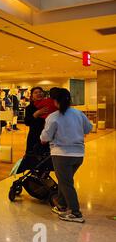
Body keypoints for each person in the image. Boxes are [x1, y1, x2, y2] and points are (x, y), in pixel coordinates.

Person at [40, 88, 93, 223]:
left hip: (61, 155)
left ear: (55, 101)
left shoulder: (53, 117)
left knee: (66, 183)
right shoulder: (78, 114)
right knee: (65, 181)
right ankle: (62, 206)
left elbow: (45, 137)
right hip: (78, 154)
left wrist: (43, 139)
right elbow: (88, 128)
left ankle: (76, 213)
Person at [24, 87, 49, 154]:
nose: (38, 94)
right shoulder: (29, 108)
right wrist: (36, 114)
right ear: (32, 96)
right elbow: (27, 122)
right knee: (32, 157)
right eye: (36, 92)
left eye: (40, 92)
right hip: (34, 136)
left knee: (45, 158)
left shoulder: (48, 106)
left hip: (47, 135)